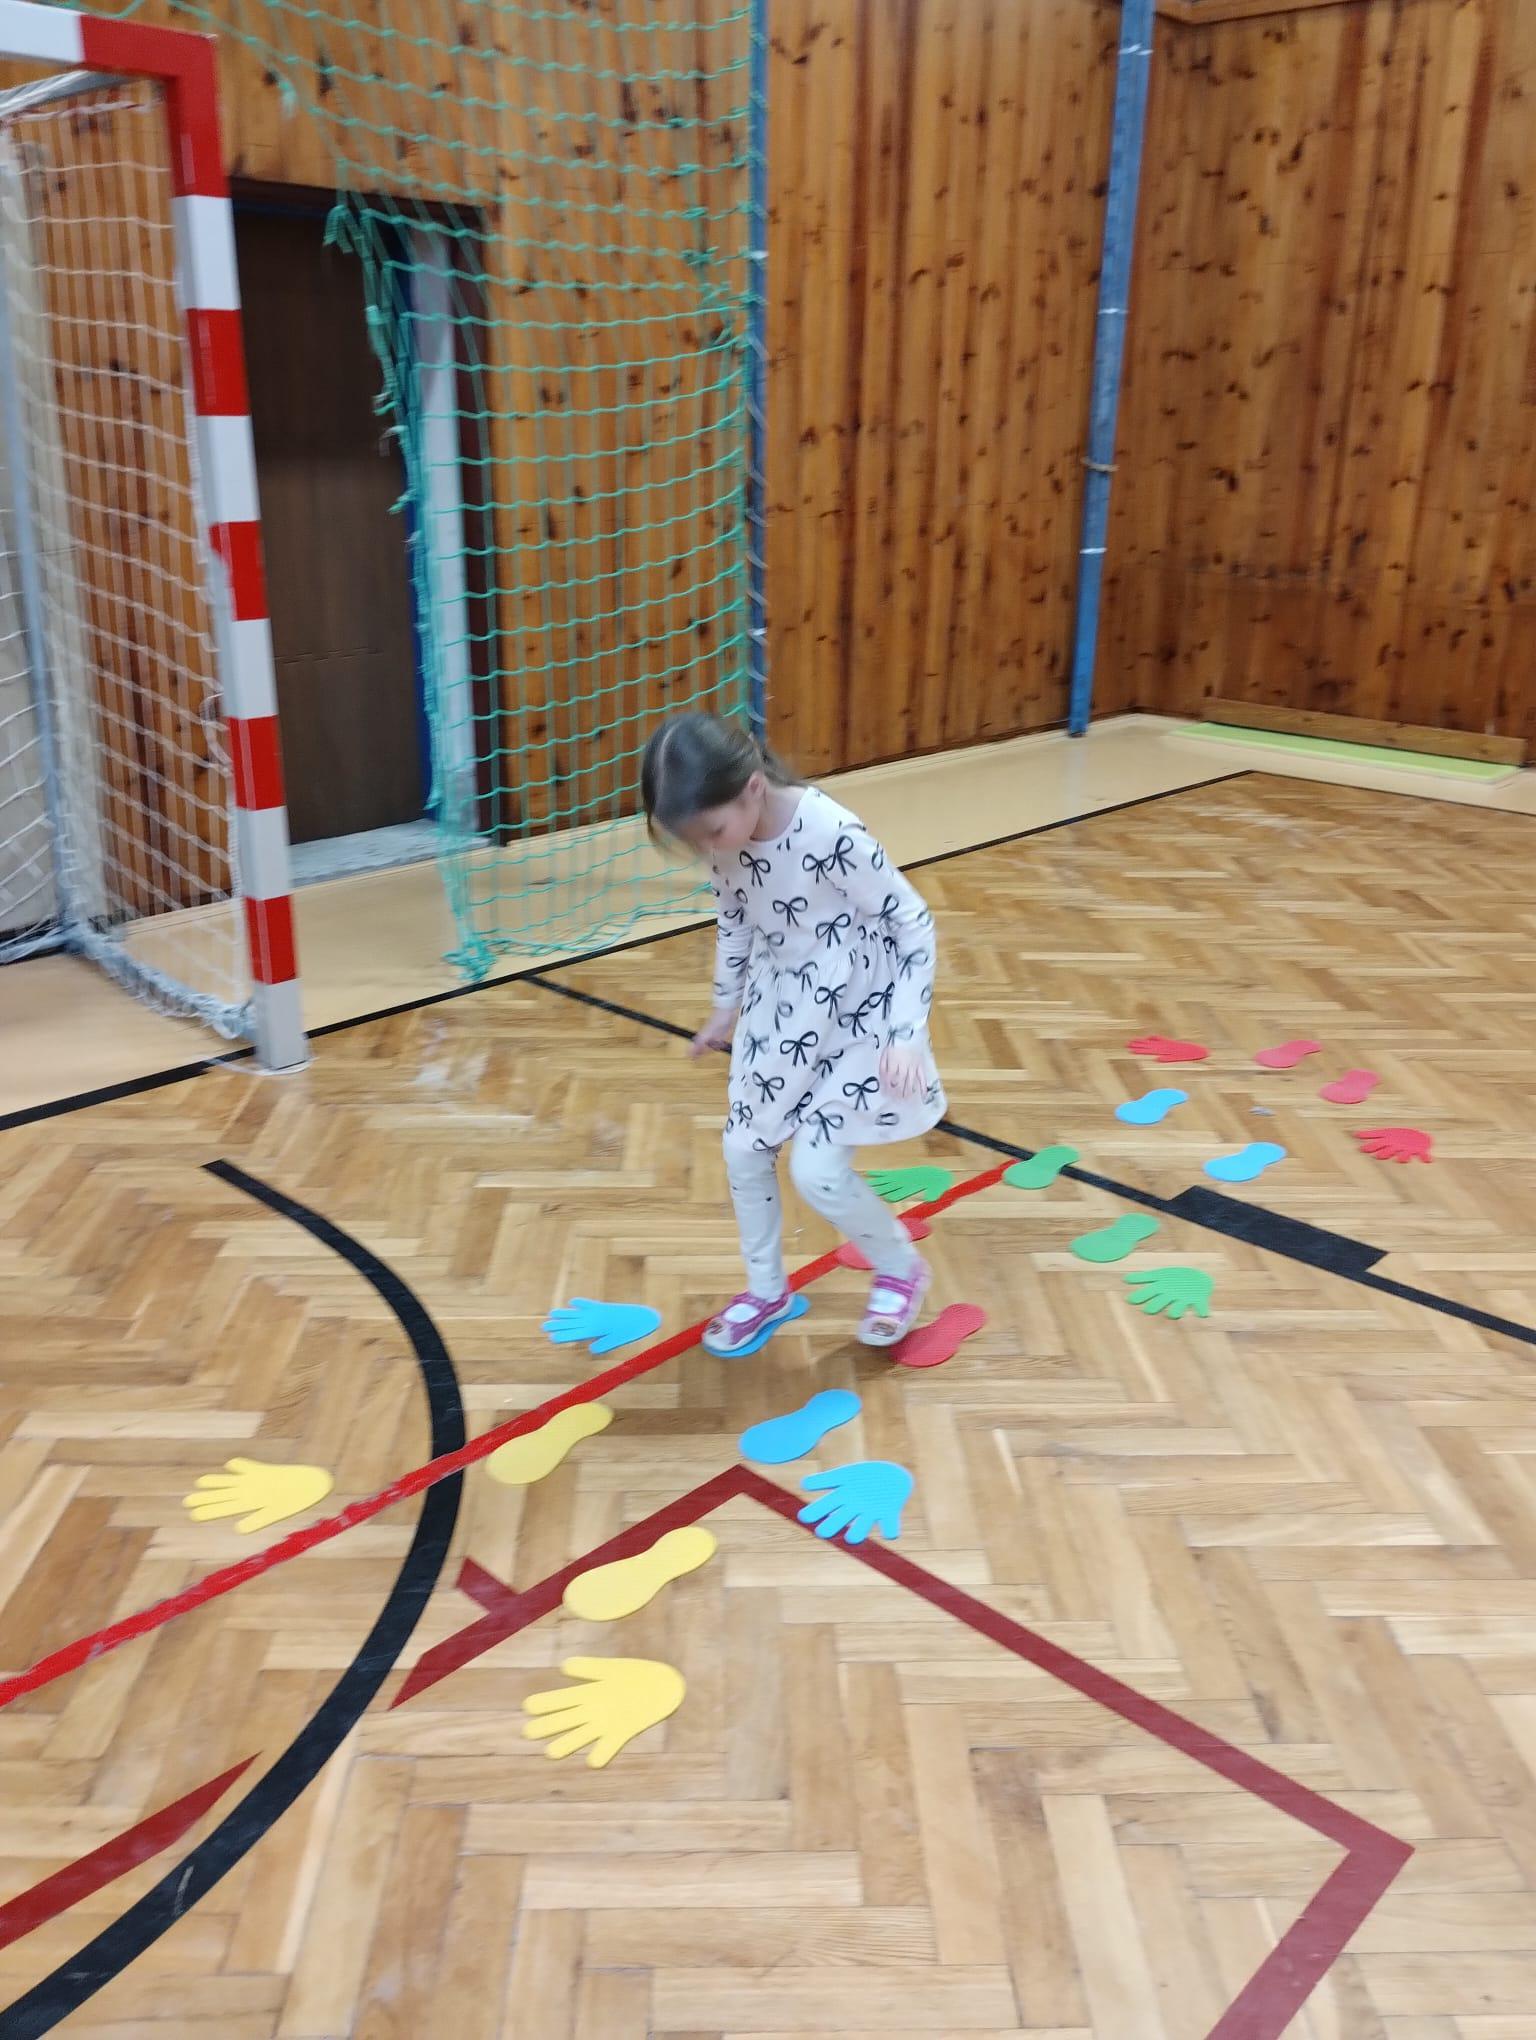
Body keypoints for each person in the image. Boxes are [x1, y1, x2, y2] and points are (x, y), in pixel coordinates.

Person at [641, 711, 946, 1356]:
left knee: (817, 1172)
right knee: (743, 1150)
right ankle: (766, 1290)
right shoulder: (725, 845)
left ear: (753, 788)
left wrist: (905, 1032)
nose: (709, 850)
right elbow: (735, 921)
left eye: (711, 832)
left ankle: (900, 1269)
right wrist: (723, 1009)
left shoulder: (829, 832)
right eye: (694, 841)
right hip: (782, 1015)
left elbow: (913, 922)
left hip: (860, 1016)